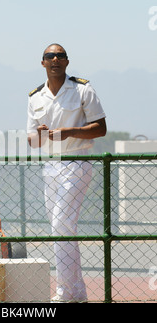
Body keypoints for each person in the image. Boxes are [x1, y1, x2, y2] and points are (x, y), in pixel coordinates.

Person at [26, 43, 107, 302]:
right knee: (62, 228)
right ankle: (77, 292)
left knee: (61, 224)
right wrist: (37, 136)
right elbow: (32, 141)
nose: (55, 60)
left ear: (67, 61)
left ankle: (63, 292)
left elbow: (101, 128)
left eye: (60, 56)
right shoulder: (35, 97)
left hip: (77, 162)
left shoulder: (83, 89)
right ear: (42, 63)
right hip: (50, 166)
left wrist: (70, 132)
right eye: (50, 56)